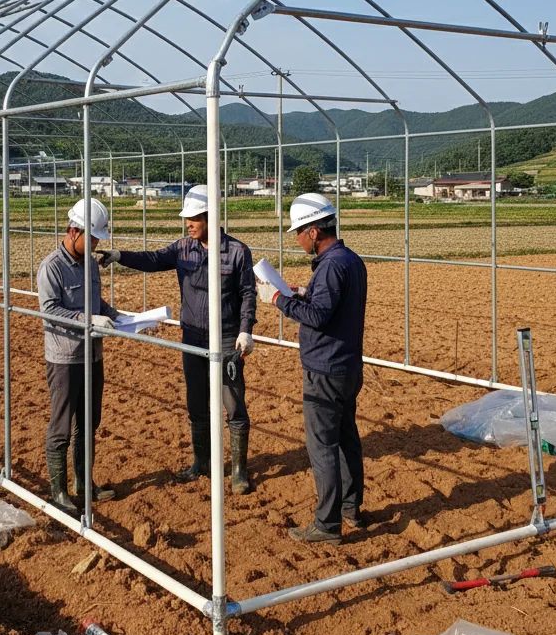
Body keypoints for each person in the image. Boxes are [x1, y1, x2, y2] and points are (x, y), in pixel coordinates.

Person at [98, 184, 257, 493]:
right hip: (192, 337)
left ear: (211, 216)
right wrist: (119, 255)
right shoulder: (183, 248)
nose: (189, 224)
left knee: (233, 403)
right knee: (196, 403)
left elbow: (248, 293)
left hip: (225, 338)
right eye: (188, 219)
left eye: (194, 218)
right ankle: (202, 463)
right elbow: (153, 259)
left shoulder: (237, 251)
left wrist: (245, 329)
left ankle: (238, 471)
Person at [258, 192, 368, 543]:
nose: (297, 239)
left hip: (325, 369)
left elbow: (319, 316)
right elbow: (332, 302)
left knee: (323, 445)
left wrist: (278, 300)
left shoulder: (331, 265)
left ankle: (327, 524)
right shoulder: (349, 260)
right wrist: (305, 291)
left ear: (315, 231)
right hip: (349, 366)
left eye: (299, 232)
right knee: (347, 438)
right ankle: (351, 508)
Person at [36, 197, 119, 513]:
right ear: (74, 231)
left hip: (93, 356)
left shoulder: (89, 265)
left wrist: (124, 318)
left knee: (89, 422)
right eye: (94, 237)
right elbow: (50, 311)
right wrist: (89, 320)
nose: (97, 243)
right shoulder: (52, 268)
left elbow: (100, 305)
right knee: (61, 424)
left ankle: (84, 483)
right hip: (65, 358)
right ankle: (58, 491)